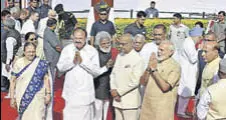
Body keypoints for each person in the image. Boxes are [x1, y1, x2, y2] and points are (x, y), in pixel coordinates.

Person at [57, 28, 113, 120]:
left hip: (85, 94)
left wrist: (83, 62)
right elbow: (60, 67)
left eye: (80, 38)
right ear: (72, 38)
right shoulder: (67, 49)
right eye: (76, 38)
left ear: (86, 38)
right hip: (71, 93)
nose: (78, 40)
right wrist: (73, 62)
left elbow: (96, 72)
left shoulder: (92, 51)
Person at [139, 41, 181, 120]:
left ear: (171, 52)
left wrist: (154, 70)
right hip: (148, 106)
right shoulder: (154, 62)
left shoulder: (175, 67)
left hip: (162, 109)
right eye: (158, 49)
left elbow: (165, 87)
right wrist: (148, 68)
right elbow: (142, 82)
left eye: (162, 50)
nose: (158, 52)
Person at [9, 42, 51, 120]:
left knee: (38, 116)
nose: (31, 54)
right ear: (24, 52)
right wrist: (12, 97)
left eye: (33, 51)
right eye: (29, 52)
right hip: (22, 96)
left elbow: (46, 78)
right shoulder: (19, 63)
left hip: (38, 96)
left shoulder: (40, 63)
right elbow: (12, 81)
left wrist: (48, 93)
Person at [110, 34, 144, 120]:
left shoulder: (137, 59)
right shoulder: (119, 56)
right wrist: (113, 89)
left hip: (130, 102)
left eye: (124, 44)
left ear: (132, 43)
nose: (121, 46)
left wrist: (119, 92)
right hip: (117, 100)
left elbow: (135, 81)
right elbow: (113, 74)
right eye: (120, 44)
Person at [177, 27, 203, 118]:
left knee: (187, 91)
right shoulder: (188, 43)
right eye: (200, 38)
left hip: (189, 70)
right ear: (197, 36)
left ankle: (183, 110)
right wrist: (199, 50)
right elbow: (193, 59)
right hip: (187, 71)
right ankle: (180, 111)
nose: (200, 40)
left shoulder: (189, 42)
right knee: (185, 91)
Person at [138, 24, 168, 101]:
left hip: (162, 84)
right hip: (147, 83)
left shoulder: (170, 47)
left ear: (165, 34)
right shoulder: (147, 47)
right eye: (155, 34)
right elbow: (141, 65)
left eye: (159, 34)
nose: (157, 37)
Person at [94, 31, 118, 120]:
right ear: (99, 44)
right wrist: (106, 66)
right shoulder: (95, 54)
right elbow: (94, 71)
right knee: (98, 112)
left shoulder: (114, 52)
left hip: (110, 86)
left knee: (108, 112)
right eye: (103, 43)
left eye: (108, 43)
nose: (106, 45)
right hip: (98, 86)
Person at [1, 18, 21, 92]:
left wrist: (7, 63)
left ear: (7, 26)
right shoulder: (16, 32)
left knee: (11, 77)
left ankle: (11, 92)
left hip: (12, 59)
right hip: (17, 57)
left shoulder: (10, 38)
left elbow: (10, 51)